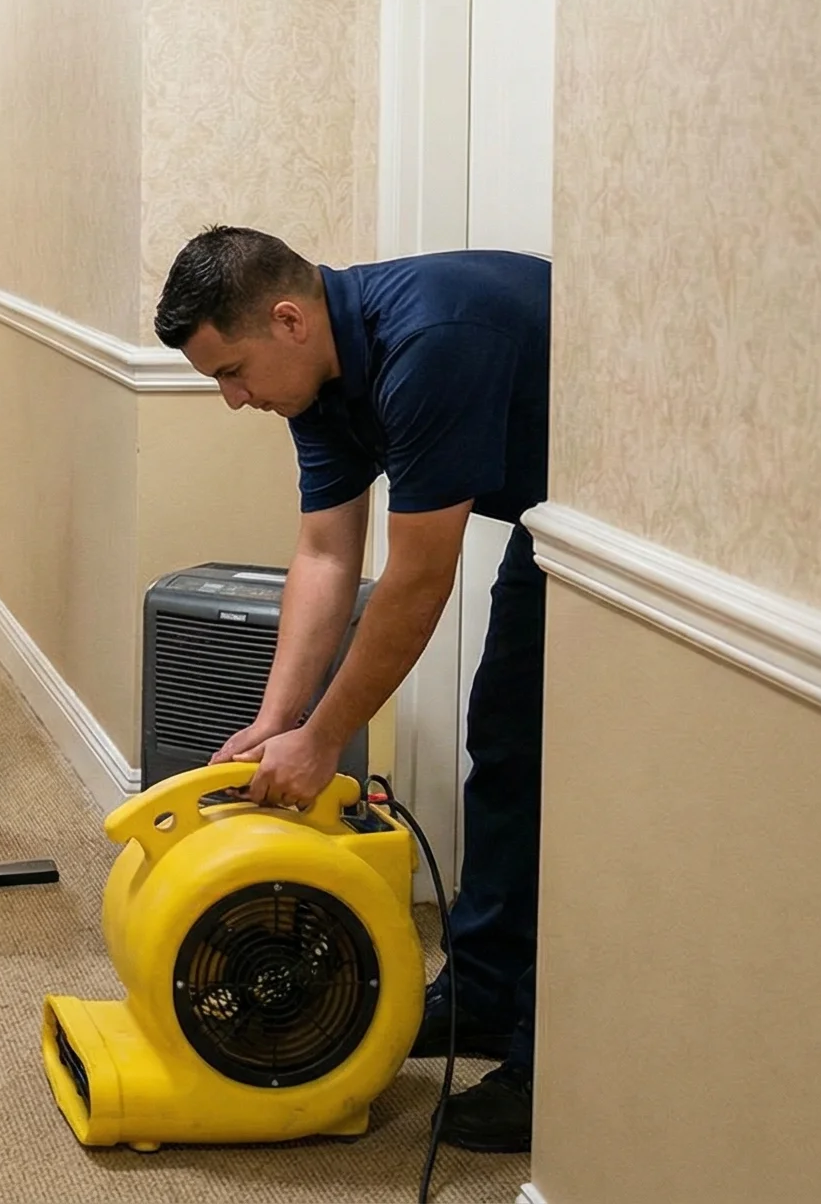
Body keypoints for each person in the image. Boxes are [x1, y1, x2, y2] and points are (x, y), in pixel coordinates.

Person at [152, 225, 549, 1152]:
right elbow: (327, 556)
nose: (234, 399)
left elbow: (417, 577)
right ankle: (484, 996)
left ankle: (547, 1068)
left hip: (620, 514)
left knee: (552, 779)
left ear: (289, 320)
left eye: (233, 372)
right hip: (549, 513)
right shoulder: (319, 380)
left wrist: (326, 737)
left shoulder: (429, 345)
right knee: (504, 746)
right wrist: (275, 721)